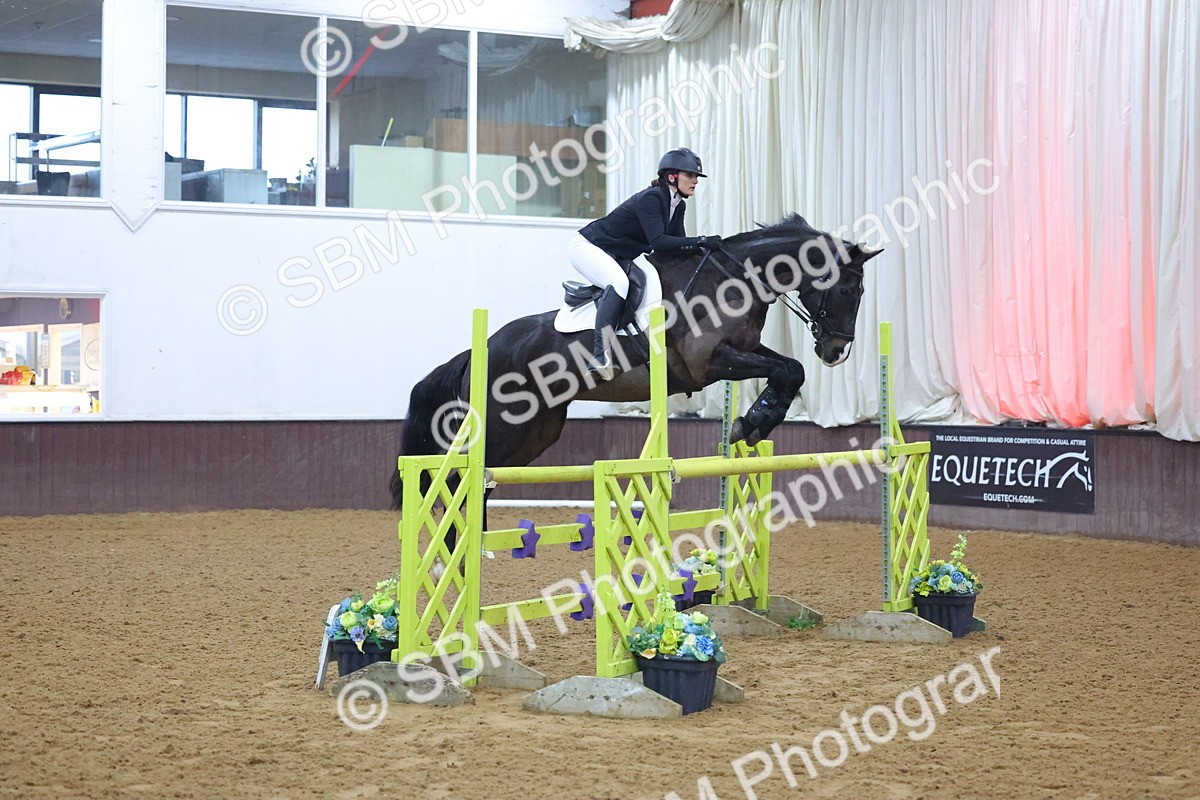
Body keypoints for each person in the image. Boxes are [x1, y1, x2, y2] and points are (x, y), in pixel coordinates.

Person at [569, 147, 723, 374]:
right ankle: (599, 356)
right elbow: (659, 242)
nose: (695, 181)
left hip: (616, 253)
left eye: (696, 176)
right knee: (618, 282)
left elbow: (677, 245)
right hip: (588, 247)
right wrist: (701, 240)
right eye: (690, 175)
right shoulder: (652, 198)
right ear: (672, 177)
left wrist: (708, 255)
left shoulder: (678, 204)